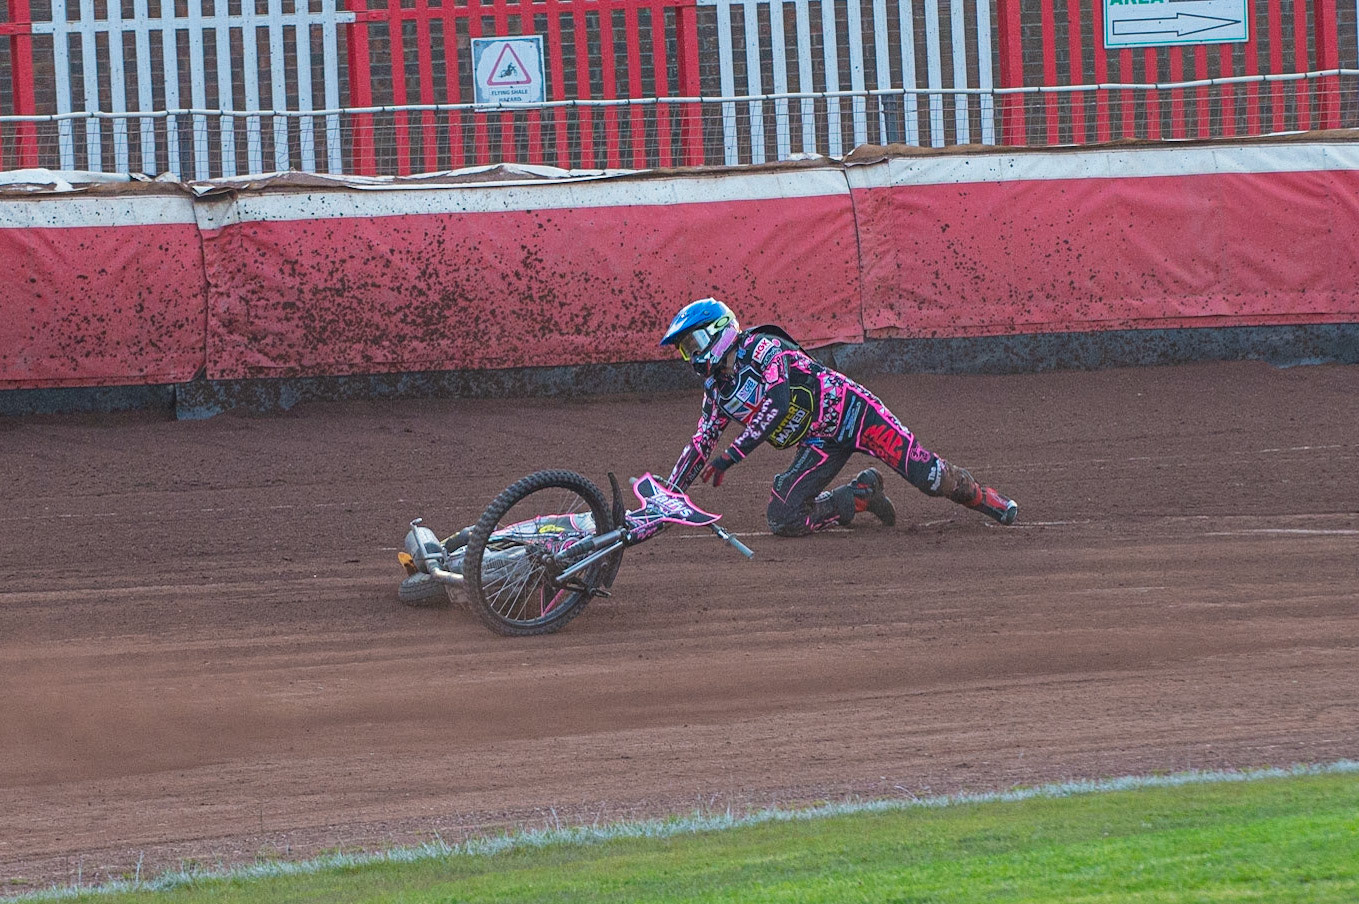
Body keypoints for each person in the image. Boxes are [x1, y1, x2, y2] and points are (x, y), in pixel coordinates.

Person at [658, 297, 1018, 537]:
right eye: (686, 351)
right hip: (820, 441)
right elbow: (701, 443)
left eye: (693, 345)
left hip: (857, 415)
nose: (691, 357)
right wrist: (669, 496)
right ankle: (859, 495)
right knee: (783, 518)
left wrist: (731, 456)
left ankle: (983, 497)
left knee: (929, 477)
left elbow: (778, 403)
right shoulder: (717, 390)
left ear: (718, 331)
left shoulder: (762, 348)